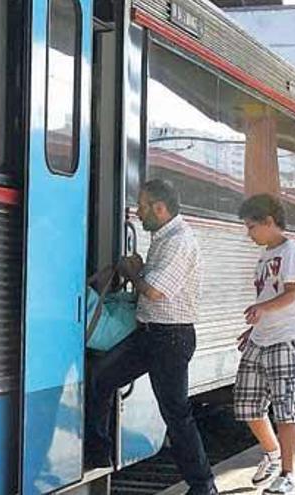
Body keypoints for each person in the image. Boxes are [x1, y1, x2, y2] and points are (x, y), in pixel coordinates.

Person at [84, 179, 217, 495]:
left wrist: (132, 273)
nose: (138, 212)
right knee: (101, 377)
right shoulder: (164, 236)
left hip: (170, 340)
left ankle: (203, 485)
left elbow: (155, 291)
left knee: (176, 414)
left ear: (160, 208)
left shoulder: (179, 241)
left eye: (143, 207)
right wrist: (139, 268)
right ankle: (97, 451)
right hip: (149, 335)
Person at [234, 194, 295, 494]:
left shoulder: (289, 250)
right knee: (247, 405)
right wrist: (253, 328)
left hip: (288, 338)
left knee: (286, 410)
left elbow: (293, 293)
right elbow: (267, 294)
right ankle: (272, 451)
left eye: (252, 227)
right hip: (262, 337)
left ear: (269, 222)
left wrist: (262, 310)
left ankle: (288, 474)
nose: (248, 233)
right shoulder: (266, 254)